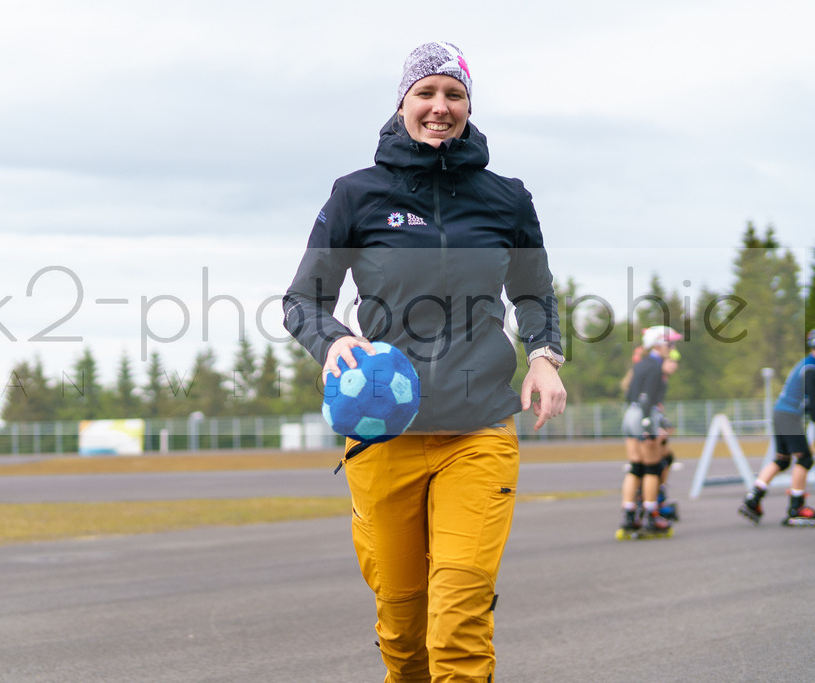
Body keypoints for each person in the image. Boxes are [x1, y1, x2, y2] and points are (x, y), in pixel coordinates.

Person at [283, 41, 566, 683]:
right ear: (403, 104)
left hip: (479, 431)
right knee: (403, 630)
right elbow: (302, 300)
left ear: (468, 106)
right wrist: (332, 340)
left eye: (454, 94)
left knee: (458, 621)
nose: (440, 107)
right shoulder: (356, 194)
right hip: (383, 435)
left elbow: (534, 292)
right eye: (426, 93)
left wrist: (544, 357)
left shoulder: (506, 198)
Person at [739, 329, 815, 526]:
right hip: (789, 415)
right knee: (804, 459)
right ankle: (796, 507)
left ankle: (753, 497)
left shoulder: (806, 364)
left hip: (780, 413)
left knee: (782, 460)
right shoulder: (811, 368)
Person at [619, 325, 682, 535]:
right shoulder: (655, 365)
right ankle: (651, 514)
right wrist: (648, 425)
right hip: (643, 415)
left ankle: (629, 513)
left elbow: (631, 395)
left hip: (630, 414)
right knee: (652, 469)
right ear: (658, 344)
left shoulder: (640, 364)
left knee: (635, 468)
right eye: (669, 344)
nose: (672, 349)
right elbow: (647, 398)